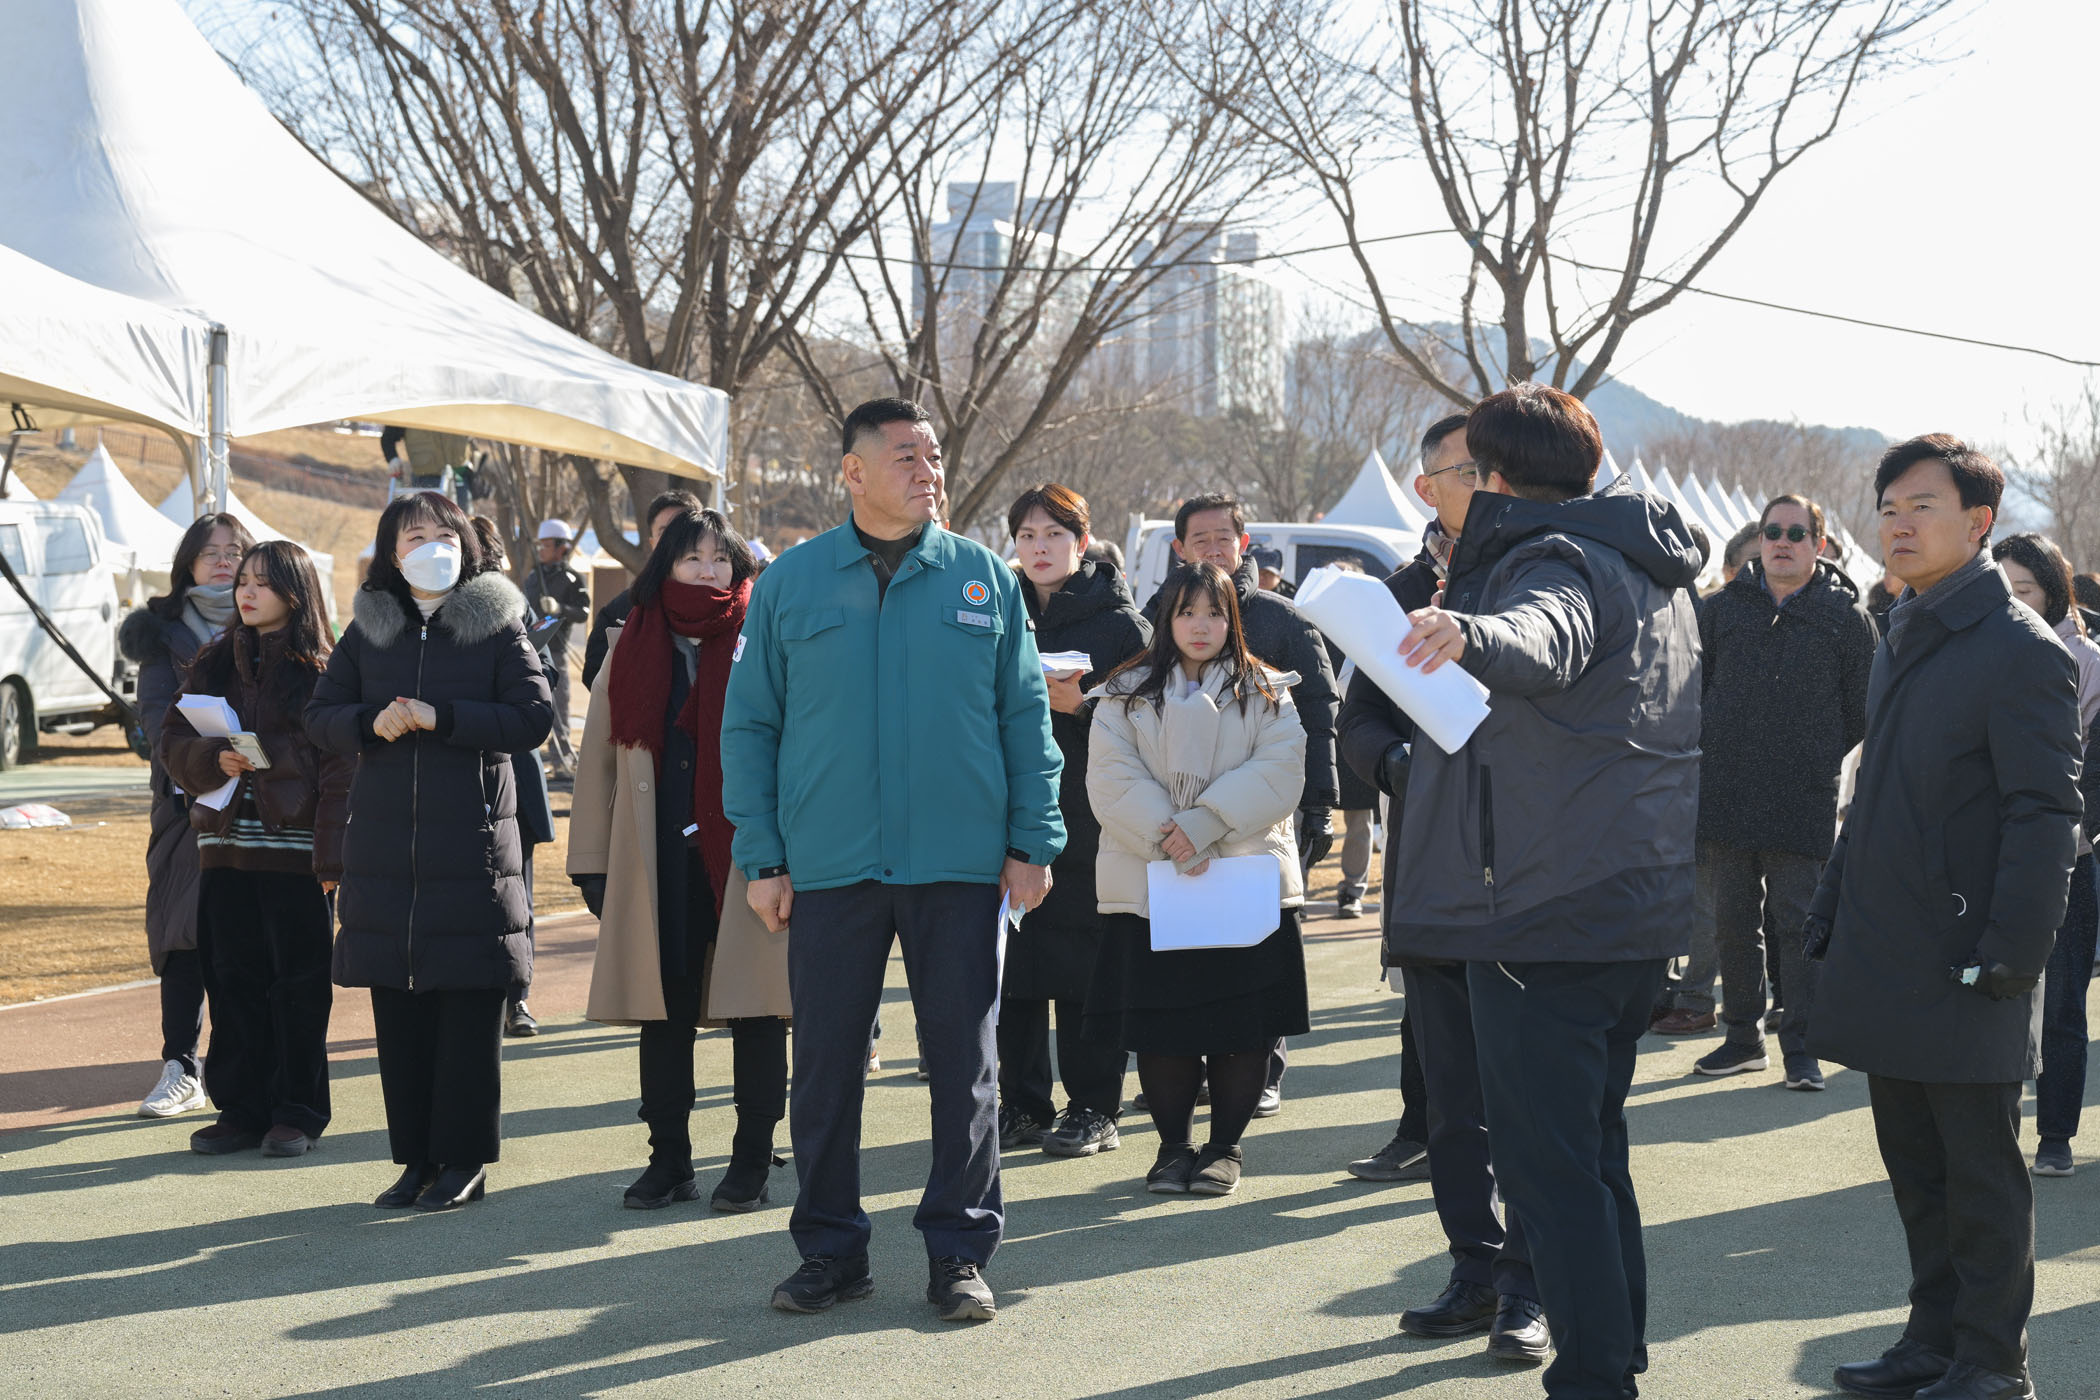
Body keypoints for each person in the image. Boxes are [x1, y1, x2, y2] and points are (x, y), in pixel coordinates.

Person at [1389, 383, 1703, 1400]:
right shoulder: (1651, 566)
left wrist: (1471, 634)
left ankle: (1597, 1374)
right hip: (1627, 903)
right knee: (1591, 1155)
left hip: (1543, 910)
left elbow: (1543, 630)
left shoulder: (1553, 556)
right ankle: (1613, 1354)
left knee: (1551, 1170)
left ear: (1495, 476)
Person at [721, 398, 1064, 1323]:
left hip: (961, 865)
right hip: (829, 866)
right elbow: (749, 728)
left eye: (935, 456)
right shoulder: (791, 583)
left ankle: (959, 1253)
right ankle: (831, 1252)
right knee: (825, 1069)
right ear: (853, 471)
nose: (929, 471)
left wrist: (1033, 842)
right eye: (907, 456)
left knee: (967, 1068)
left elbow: (1025, 717)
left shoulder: (983, 578)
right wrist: (763, 857)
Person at [1810, 436, 2081, 1400]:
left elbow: (2044, 814)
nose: (1898, 523)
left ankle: (1993, 1362)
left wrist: (2012, 952)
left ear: (1978, 523)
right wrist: (1831, 905)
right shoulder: (1902, 630)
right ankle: (1933, 1341)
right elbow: (1872, 795)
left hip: (1970, 960)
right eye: (1888, 507)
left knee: (1981, 1177)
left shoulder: (2020, 650)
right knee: (1916, 1168)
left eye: (1921, 506)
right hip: (1890, 946)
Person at [1337, 411, 1543, 1359]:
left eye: (1493, 468)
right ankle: (1474, 1268)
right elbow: (1359, 723)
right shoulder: (1397, 592)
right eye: (1466, 470)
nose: (1486, 483)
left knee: (1527, 1099)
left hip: (1531, 882)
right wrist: (1402, 767)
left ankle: (1529, 1287)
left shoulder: (1546, 574)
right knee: (1452, 1102)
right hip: (1430, 876)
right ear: (1427, 489)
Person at [307, 491, 553, 1212]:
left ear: (466, 545)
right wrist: (368, 723)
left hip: (472, 852)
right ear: (391, 551)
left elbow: (533, 717)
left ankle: (464, 1162)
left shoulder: (497, 624)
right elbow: (320, 717)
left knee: (467, 1013)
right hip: (386, 854)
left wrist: (442, 717)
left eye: (444, 534)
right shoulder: (369, 630)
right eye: (414, 536)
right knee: (401, 1016)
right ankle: (415, 1161)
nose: (431, 546)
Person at [571, 507, 791, 1211]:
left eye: (720, 559)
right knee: (662, 1014)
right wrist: (592, 862)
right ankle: (668, 1160)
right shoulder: (631, 640)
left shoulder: (765, 636)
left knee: (759, 1012)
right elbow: (599, 760)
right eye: (692, 558)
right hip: (658, 857)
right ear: (665, 565)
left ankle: (751, 1161)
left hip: (751, 856)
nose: (707, 571)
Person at [1084, 561, 1308, 1198]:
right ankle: (1174, 1148)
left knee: (1244, 1028)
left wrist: (1204, 823)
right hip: (1151, 884)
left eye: (1213, 612)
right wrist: (1172, 837)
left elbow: (1281, 769)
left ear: (1232, 618)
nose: (1200, 625)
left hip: (1244, 882)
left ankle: (1224, 1147)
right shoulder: (1123, 693)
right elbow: (1111, 778)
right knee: (1164, 1029)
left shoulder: (1267, 689)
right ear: (1167, 618)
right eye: (1186, 612)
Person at [1145, 493, 1338, 1116]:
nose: (1212, 548)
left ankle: (1263, 1072)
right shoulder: (1156, 615)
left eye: (1222, 537)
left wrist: (1320, 805)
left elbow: (1318, 716)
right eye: (1198, 539)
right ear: (1179, 549)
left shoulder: (1283, 618)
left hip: (1261, 818)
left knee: (1258, 946)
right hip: (1176, 824)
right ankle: (1190, 1071)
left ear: (1243, 543)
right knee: (1190, 948)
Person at [158, 541, 350, 1158]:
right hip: (224, 850)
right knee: (231, 982)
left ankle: (297, 1111)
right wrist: (214, 758)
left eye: (263, 582)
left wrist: (332, 857)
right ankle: (240, 1110)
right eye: (244, 580)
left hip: (297, 856)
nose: (246, 591)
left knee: (298, 988)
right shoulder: (212, 660)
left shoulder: (324, 669)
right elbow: (171, 741)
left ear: (296, 591)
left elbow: (341, 768)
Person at [1689, 495, 1876, 1090]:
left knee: (1798, 926)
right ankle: (1743, 1039)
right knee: (1732, 923)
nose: (1782, 542)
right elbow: (1695, 690)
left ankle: (1801, 1046)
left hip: (1802, 794)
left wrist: (1813, 752)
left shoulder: (1846, 618)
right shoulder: (1720, 610)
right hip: (1725, 791)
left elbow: (1861, 710)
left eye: (1797, 533)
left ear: (1818, 544)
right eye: (1773, 531)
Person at [997, 483, 1150, 1157]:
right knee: (1013, 969)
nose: (1039, 548)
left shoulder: (1122, 626)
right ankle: (1023, 1103)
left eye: (1054, 534)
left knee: (1087, 969)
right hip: (1008, 816)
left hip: (1093, 821)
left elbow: (1155, 725)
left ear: (1082, 542)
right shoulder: (995, 609)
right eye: (1027, 536)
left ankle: (1094, 1107)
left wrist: (1082, 707)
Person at [119, 511, 255, 1119]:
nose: (224, 561)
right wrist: (206, 762)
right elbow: (157, 722)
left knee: (247, 937)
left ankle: (246, 1068)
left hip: (264, 805)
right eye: (210, 552)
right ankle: (181, 1065)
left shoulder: (275, 622)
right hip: (185, 806)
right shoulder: (165, 637)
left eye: (235, 551)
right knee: (182, 932)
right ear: (188, 566)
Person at [1990, 532, 2100, 1178]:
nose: (2013, 603)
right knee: (1988, 995)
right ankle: (1990, 1128)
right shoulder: (1976, 650)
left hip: (2068, 858)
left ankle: (2055, 1133)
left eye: (2025, 591)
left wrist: (2073, 828)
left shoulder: (2088, 662)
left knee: (2060, 1004)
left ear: (2054, 594)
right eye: (2003, 590)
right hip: (1986, 855)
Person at [469, 516, 555, 1039]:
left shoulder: (516, 609)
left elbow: (546, 682)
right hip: (453, 776)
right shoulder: (425, 614)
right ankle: (473, 999)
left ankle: (517, 998)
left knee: (515, 892)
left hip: (514, 775)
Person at [581, 490, 707, 690]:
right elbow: (595, 676)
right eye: (664, 532)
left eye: (683, 530)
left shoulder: (728, 603)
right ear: (652, 543)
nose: (673, 540)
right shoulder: (621, 611)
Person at [527, 518, 593, 774]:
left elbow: (583, 612)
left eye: (546, 545)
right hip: (531, 649)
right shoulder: (534, 577)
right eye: (540, 544)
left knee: (560, 705)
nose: (541, 550)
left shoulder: (572, 578)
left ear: (561, 547)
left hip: (557, 649)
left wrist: (560, 608)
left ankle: (562, 759)